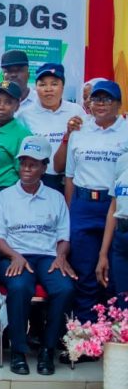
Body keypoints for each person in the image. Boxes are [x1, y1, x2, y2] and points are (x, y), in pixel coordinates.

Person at [0, 135, 76, 375]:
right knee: (20, 287)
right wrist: (14, 255)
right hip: (13, 255)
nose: (26, 169)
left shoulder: (55, 197)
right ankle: (18, 351)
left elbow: (64, 237)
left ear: (44, 167)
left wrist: (61, 256)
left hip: (48, 256)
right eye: (23, 163)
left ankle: (47, 350)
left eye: (33, 164)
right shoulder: (5, 196)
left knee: (65, 289)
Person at [64, 80, 128, 324]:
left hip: (114, 208)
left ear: (118, 104)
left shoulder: (126, 131)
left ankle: (115, 333)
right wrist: (70, 212)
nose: (100, 104)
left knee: (114, 275)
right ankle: (86, 333)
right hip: (83, 206)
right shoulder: (79, 131)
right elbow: (70, 176)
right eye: (96, 99)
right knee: (85, 274)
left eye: (107, 99)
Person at [18, 63, 85, 193]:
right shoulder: (25, 115)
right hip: (39, 179)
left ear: (62, 87)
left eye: (54, 84)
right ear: (36, 88)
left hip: (70, 179)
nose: (48, 89)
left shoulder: (76, 111)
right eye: (42, 84)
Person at [96, 152, 128, 311]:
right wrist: (103, 254)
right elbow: (113, 209)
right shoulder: (123, 160)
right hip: (121, 239)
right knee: (123, 301)